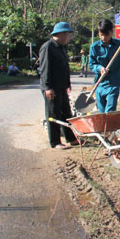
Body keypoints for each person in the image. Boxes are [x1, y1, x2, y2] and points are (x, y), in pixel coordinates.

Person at [39, 22, 79, 150]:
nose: (69, 37)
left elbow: (64, 68)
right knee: (53, 113)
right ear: (61, 34)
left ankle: (71, 138)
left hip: (61, 87)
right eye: (68, 34)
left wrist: (67, 84)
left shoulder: (61, 47)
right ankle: (55, 141)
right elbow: (45, 69)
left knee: (66, 112)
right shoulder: (48, 47)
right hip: (52, 87)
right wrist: (47, 87)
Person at [89, 19, 120, 112]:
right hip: (100, 83)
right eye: (101, 35)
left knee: (110, 110)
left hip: (114, 83)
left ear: (111, 32)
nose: (104, 37)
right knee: (102, 111)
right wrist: (100, 68)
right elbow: (92, 64)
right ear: (98, 33)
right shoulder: (94, 47)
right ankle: (104, 125)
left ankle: (110, 126)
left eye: (106, 35)